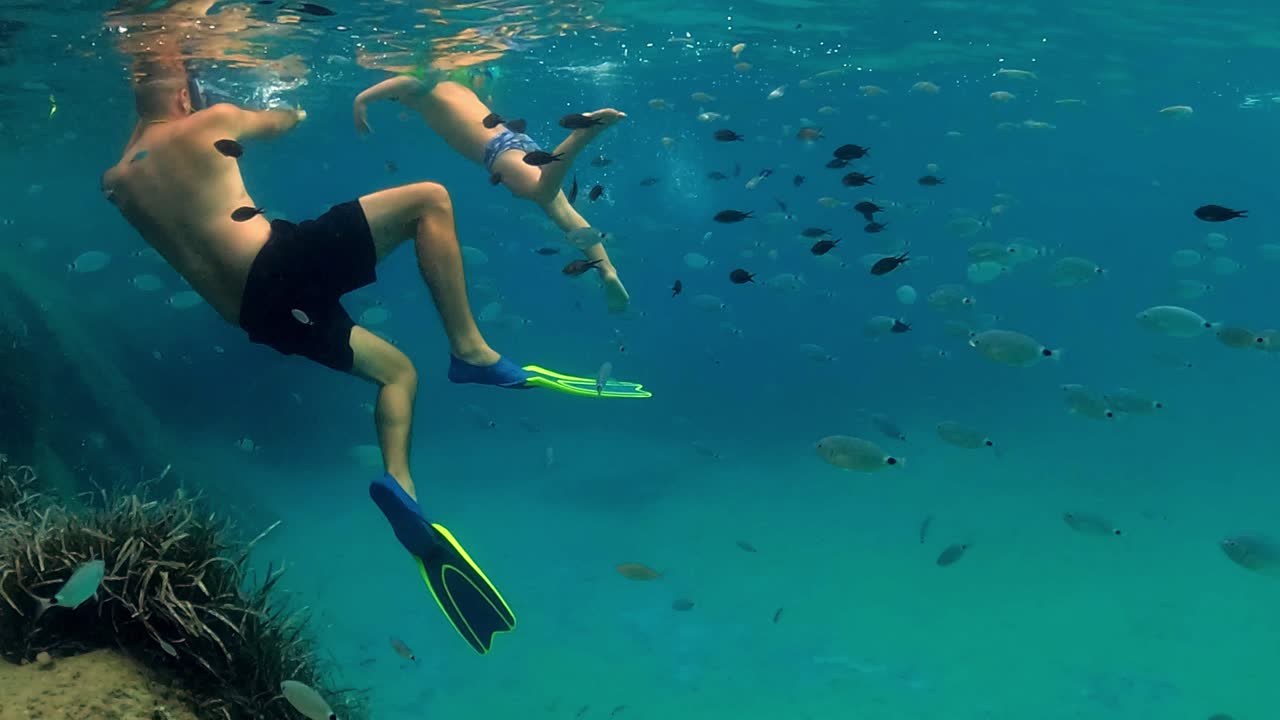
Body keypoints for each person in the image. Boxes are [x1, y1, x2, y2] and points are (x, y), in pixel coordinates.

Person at [100, 61, 647, 655]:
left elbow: (156, 141)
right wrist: (271, 95)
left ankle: (403, 491)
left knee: (396, 371)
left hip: (250, 314)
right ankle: (471, 351)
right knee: (429, 200)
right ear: (187, 91)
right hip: (274, 263)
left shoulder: (118, 179)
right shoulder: (213, 119)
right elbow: (285, 120)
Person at [351, 73, 632, 313]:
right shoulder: (454, 88)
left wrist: (361, 102)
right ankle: (608, 271)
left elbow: (403, 81)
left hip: (497, 152)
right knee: (563, 212)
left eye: (395, 97)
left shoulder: (421, 90)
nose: (397, 100)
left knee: (542, 192)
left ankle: (583, 132)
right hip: (512, 138)